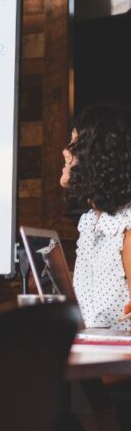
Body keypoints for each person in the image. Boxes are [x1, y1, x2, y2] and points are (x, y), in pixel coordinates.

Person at [60, 103, 131, 329]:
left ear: (98, 156)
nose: (65, 151)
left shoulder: (126, 227)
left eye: (74, 143)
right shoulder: (91, 222)